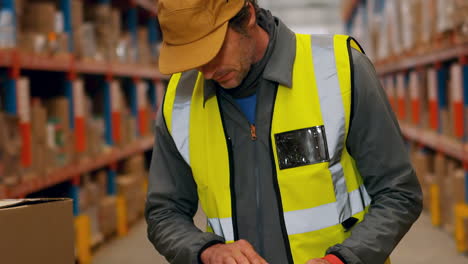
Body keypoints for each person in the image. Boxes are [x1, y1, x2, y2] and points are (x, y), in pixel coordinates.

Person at [145, 0, 423, 263]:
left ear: (248, 15)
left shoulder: (341, 71)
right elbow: (164, 213)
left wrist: (345, 258)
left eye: (213, 50)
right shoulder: (179, 102)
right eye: (194, 59)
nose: (206, 72)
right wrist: (207, 251)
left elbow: (399, 193)